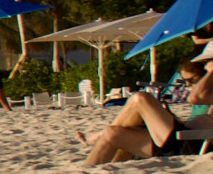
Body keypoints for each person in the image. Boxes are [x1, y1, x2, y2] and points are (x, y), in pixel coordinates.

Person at [85, 41, 213, 164]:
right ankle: (89, 171)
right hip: (184, 138)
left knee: (141, 99)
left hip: (191, 144)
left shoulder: (204, 92)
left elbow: (195, 97)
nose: (206, 65)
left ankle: (99, 136)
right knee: (112, 133)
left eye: (208, 61)